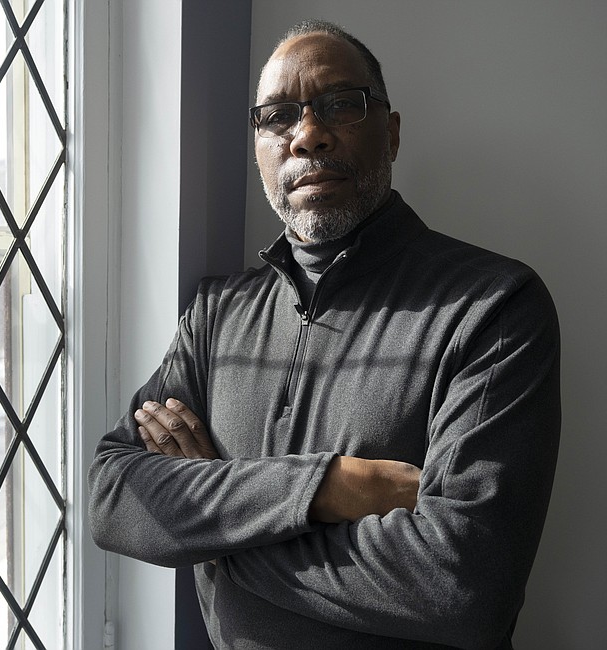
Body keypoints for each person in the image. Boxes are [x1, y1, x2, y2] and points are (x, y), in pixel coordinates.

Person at [88, 18, 560, 649]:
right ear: (258, 147)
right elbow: (115, 496)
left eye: (341, 105)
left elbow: (465, 585)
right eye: (278, 116)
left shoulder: (493, 306)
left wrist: (212, 525)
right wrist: (332, 488)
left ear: (390, 133)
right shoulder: (215, 314)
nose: (308, 135)